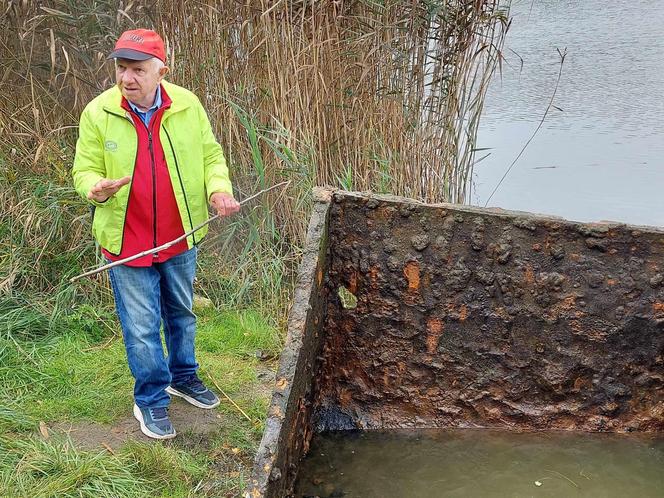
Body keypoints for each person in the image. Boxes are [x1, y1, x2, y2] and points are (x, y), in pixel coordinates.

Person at [72, 29, 240, 439]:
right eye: (122, 68)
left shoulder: (187, 104)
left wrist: (219, 189)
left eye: (138, 69)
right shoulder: (98, 112)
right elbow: (83, 169)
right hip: (126, 240)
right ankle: (150, 398)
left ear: (161, 70)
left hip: (179, 235)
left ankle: (183, 376)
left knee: (181, 313)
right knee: (143, 325)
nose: (128, 78)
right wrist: (94, 187)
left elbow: (211, 154)